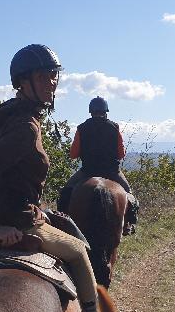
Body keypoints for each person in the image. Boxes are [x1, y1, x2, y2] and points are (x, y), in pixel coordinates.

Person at [0, 44, 98, 312]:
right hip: (14, 220)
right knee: (79, 251)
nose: (52, 82)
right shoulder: (25, 127)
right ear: (23, 81)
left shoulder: (10, 115)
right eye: (44, 76)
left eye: (54, 75)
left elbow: (2, 176)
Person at [57, 96, 140, 233]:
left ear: (90, 111)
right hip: (112, 172)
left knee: (65, 192)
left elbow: (73, 154)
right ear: (106, 111)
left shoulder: (82, 128)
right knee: (130, 194)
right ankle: (128, 224)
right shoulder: (114, 127)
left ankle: (62, 223)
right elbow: (121, 154)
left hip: (87, 172)